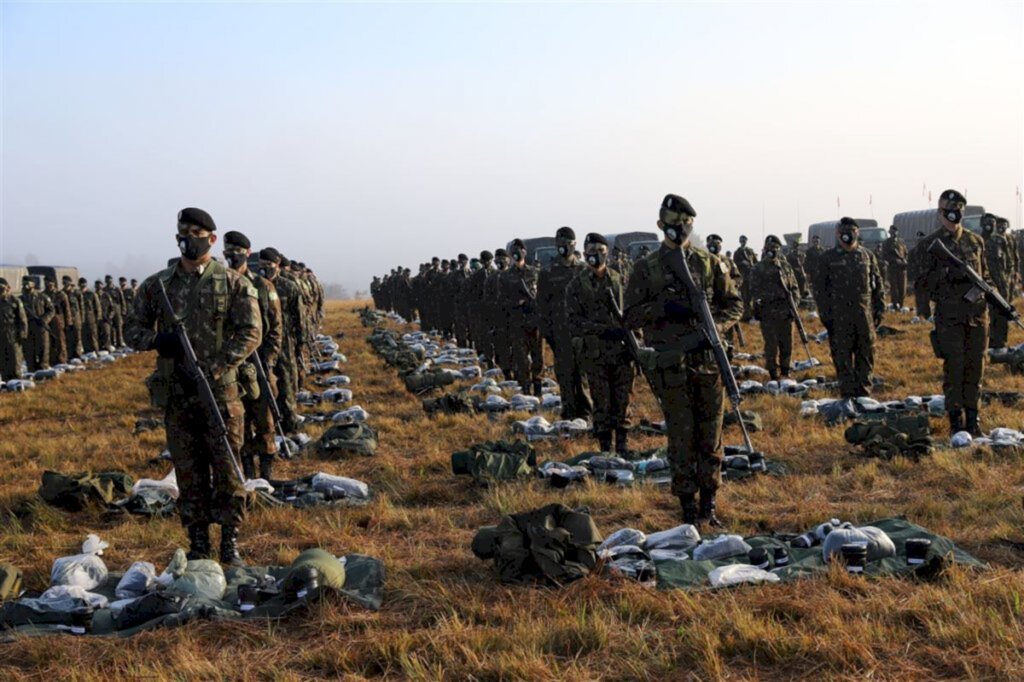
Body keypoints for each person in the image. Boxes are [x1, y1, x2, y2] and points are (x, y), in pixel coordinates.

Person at [126, 207, 261, 565]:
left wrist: (217, 365)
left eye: (196, 232)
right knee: (189, 469)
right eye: (183, 232)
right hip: (178, 391)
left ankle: (229, 542)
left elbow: (251, 332)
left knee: (229, 467)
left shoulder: (233, 282)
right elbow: (131, 331)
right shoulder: (158, 285)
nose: (188, 238)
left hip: (221, 392)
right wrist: (158, 341)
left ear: (211, 239)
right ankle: (198, 541)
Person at [623, 194, 743, 527]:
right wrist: (662, 309)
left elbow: (734, 304)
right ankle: (687, 507)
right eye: (675, 226)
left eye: (687, 225)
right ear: (662, 226)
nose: (681, 231)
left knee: (711, 436)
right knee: (681, 438)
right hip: (671, 366)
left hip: (706, 363)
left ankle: (710, 504)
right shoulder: (646, 269)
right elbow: (629, 316)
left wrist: (713, 327)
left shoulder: (708, 263)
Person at [916, 191, 991, 435]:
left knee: (975, 368)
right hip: (950, 318)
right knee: (954, 369)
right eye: (949, 208)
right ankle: (955, 421)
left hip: (977, 317)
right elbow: (921, 283)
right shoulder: (929, 245)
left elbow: (986, 275)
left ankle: (973, 419)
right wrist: (947, 275)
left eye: (958, 208)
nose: (954, 213)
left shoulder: (975, 241)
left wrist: (991, 291)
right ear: (940, 212)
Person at [224, 231, 283, 481]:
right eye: (229, 251)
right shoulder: (221, 284)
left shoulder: (263, 286)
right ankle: (246, 471)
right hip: (229, 365)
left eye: (237, 251)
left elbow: (275, 329)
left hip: (257, 363)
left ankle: (266, 473)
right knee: (237, 422)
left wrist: (267, 362)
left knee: (264, 419)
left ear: (248, 253)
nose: (232, 256)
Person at [567, 233, 632, 452]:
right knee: (601, 402)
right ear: (585, 254)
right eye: (591, 252)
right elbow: (573, 320)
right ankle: (605, 448)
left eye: (600, 252)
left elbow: (632, 310)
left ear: (607, 253)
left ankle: (622, 446)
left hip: (622, 351)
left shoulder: (619, 278)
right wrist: (603, 330)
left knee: (623, 401)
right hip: (595, 352)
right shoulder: (576, 284)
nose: (596, 256)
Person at [813, 218, 884, 400]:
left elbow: (877, 286)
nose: (848, 234)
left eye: (852, 230)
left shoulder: (867, 256)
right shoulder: (827, 259)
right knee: (842, 359)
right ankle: (848, 396)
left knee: (866, 355)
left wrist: (879, 311)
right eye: (844, 230)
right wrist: (825, 317)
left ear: (857, 233)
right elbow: (820, 291)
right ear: (837, 233)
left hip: (864, 317)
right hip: (839, 318)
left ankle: (863, 395)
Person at [537, 227, 592, 421]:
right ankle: (569, 415)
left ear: (574, 244)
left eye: (567, 244)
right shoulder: (548, 273)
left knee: (583, 376)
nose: (564, 248)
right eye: (560, 244)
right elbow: (542, 306)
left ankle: (586, 415)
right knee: (566, 377)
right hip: (559, 334)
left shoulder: (584, 270)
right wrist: (548, 334)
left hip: (582, 333)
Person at [751, 236, 801, 380]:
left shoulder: (785, 267)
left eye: (775, 249)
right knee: (771, 344)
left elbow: (794, 288)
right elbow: (754, 290)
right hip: (768, 312)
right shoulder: (758, 268)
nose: (772, 251)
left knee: (787, 343)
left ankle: (785, 371)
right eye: (769, 248)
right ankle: (773, 372)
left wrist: (794, 304)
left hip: (785, 311)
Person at [500, 239, 543, 394]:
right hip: (516, 321)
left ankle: (538, 387)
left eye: (520, 250)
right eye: (514, 251)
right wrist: (515, 302)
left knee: (537, 357)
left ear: (525, 252)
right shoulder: (505, 276)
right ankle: (526, 389)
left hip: (534, 320)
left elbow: (542, 294)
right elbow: (501, 301)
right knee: (521, 358)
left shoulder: (534, 272)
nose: (517, 254)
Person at [981, 214, 1014, 349]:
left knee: (1002, 313)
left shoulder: (1000, 241)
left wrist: (1008, 278)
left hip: (1001, 284)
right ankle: (989, 342)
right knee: (987, 315)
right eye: (988, 223)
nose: (991, 225)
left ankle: (1000, 343)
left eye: (993, 222)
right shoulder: (978, 241)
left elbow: (1008, 262)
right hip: (986, 285)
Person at [706, 234, 743, 348]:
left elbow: (738, 277)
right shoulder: (704, 260)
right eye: (711, 244)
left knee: (727, 331)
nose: (714, 247)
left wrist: (731, 286)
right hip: (711, 303)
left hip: (726, 302)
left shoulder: (727, 261)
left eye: (716, 244)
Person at [20, 276, 54, 372]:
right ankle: (31, 372)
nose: (25, 285)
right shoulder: (20, 299)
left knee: (43, 351)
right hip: (28, 328)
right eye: (24, 283)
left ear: (33, 284)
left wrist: (44, 319)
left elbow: (51, 310)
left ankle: (43, 372)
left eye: (27, 283)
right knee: (29, 352)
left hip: (41, 327)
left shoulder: (42, 297)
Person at [0, 278, 28, 381]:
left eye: (2, 288)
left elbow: (23, 319)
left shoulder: (14, 300)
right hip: (1, 335)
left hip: (13, 334)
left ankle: (17, 381)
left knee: (15, 360)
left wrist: (23, 335)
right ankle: (6, 382)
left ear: (7, 288)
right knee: (3, 361)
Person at [44, 278, 70, 366]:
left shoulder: (61, 295)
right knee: (50, 342)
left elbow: (67, 310)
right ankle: (52, 361)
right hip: (48, 321)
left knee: (60, 341)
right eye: (47, 283)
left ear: (54, 284)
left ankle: (62, 360)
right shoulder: (43, 295)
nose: (49, 285)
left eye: (50, 283)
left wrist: (68, 323)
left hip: (59, 320)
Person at [881, 225, 909, 311]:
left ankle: (901, 304)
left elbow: (906, 253)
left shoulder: (901, 242)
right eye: (892, 232)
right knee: (894, 288)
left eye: (895, 231)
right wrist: (894, 260)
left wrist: (904, 261)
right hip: (893, 268)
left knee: (902, 288)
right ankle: (895, 305)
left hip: (902, 269)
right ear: (889, 232)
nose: (894, 233)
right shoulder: (886, 243)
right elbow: (884, 256)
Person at [733, 235, 758, 321]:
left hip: (751, 277)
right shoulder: (737, 252)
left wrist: (752, 266)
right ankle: (746, 315)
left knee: (753, 296)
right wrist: (742, 263)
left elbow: (756, 263)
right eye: (742, 241)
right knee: (744, 296)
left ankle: (753, 313)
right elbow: (734, 265)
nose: (743, 242)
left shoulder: (750, 251)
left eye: (744, 241)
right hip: (743, 277)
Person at [907, 231, 931, 318]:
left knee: (927, 297)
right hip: (917, 278)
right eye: (918, 240)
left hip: (927, 277)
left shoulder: (929, 251)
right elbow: (909, 266)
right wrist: (910, 280)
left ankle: (927, 314)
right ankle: (920, 314)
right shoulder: (913, 252)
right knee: (919, 297)